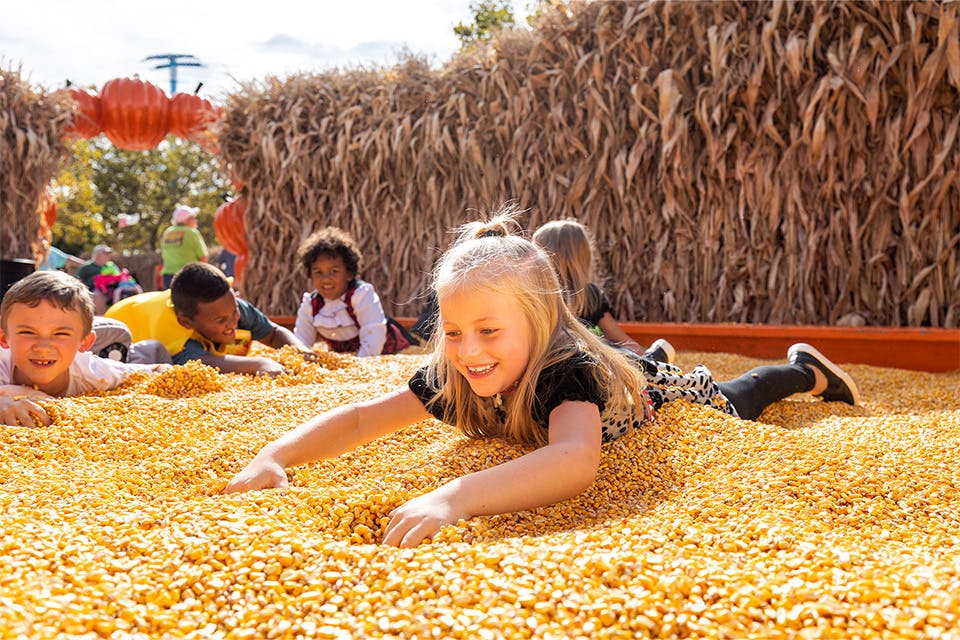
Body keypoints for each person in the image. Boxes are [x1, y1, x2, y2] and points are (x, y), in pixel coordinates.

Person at [225, 210, 860, 548]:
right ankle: (648, 362)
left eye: (490, 331)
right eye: (453, 331)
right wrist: (278, 453)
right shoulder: (456, 371)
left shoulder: (565, 370)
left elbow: (576, 460)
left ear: (541, 322)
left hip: (655, 403)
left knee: (734, 400)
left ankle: (801, 371)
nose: (468, 351)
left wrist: (454, 497)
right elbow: (365, 418)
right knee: (642, 367)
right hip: (616, 379)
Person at [0, 271, 169, 427]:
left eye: (60, 334)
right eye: (27, 332)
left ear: (85, 342)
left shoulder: (91, 372)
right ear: (3, 338)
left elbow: (157, 370)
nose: (43, 347)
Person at [532, 219, 674, 363]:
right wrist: (646, 358)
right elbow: (621, 340)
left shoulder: (537, 295)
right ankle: (649, 364)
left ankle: (648, 363)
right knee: (612, 350)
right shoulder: (589, 295)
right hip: (582, 364)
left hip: (549, 364)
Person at [170, 262, 315, 375]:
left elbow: (273, 333)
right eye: (221, 320)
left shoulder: (230, 308)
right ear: (186, 322)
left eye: (235, 311)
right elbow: (202, 363)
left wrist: (299, 349)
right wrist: (258, 364)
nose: (234, 321)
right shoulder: (178, 335)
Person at [293, 227, 416, 357]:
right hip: (349, 361)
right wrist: (302, 359)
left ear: (349, 273)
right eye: (318, 272)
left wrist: (360, 366)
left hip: (389, 355)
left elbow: (373, 335)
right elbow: (301, 340)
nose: (326, 279)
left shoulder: (361, 295)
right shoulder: (311, 305)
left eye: (334, 271)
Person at [160, 205, 208, 290]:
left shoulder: (167, 232)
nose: (196, 220)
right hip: (188, 276)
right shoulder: (192, 232)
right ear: (187, 220)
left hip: (168, 277)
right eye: (193, 217)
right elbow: (203, 257)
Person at [75, 244, 120, 314]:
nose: (109, 256)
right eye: (106, 254)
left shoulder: (112, 266)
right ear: (97, 255)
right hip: (93, 291)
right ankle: (102, 317)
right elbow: (76, 282)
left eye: (109, 254)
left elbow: (119, 277)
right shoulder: (86, 267)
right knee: (98, 295)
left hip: (112, 289)